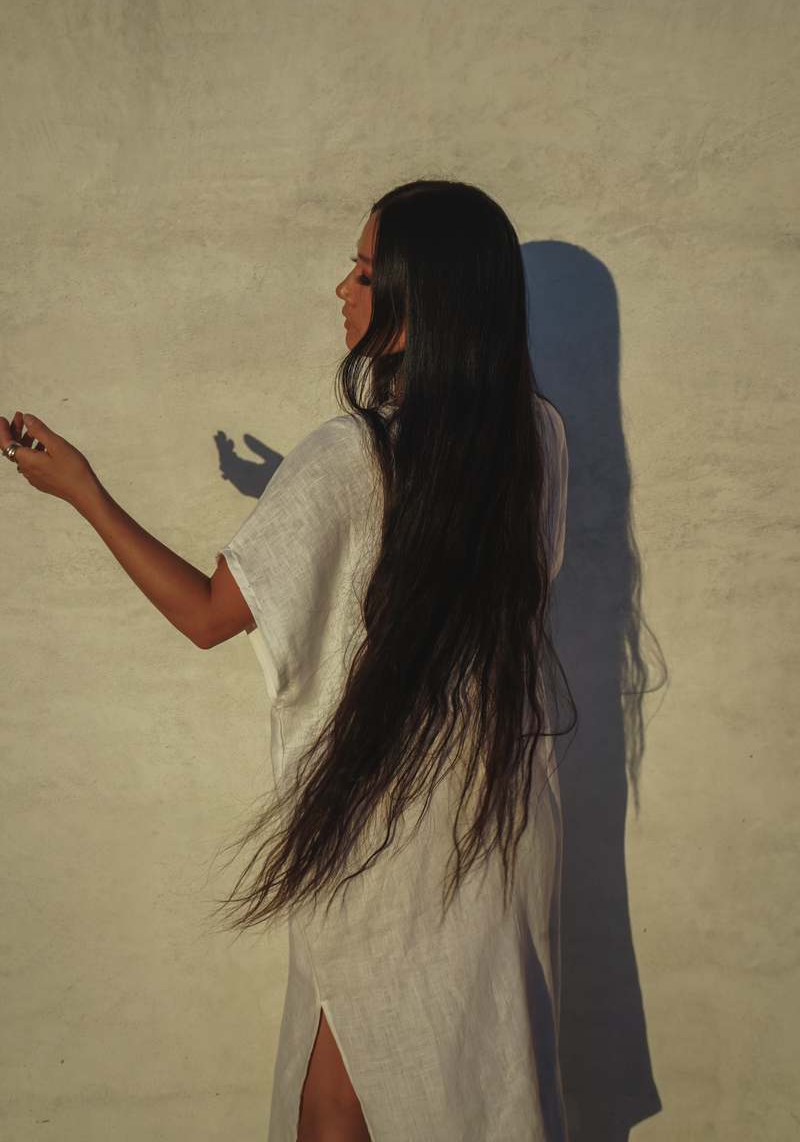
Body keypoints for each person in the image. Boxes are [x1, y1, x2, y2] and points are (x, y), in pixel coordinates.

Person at [3, 178, 573, 1142]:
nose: (343, 288)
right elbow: (423, 572)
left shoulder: (351, 455)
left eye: (365, 271)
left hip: (379, 831)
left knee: (339, 1102)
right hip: (487, 822)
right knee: (458, 1075)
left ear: (421, 300)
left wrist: (84, 491)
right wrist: (282, 496)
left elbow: (208, 616)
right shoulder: (535, 442)